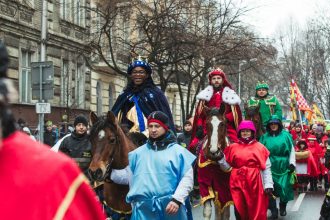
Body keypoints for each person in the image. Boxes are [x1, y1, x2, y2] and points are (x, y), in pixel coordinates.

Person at [0, 41, 105, 219]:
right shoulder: (64, 146)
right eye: (78, 125)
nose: (80, 128)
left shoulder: (57, 179)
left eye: (83, 125)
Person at [110, 111, 196, 220]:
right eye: (150, 126)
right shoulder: (137, 154)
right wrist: (110, 172)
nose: (153, 130)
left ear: (165, 127)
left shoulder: (179, 152)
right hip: (143, 211)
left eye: (157, 126)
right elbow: (129, 178)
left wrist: (177, 200)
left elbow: (187, 179)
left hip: (171, 208)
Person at [217, 120, 273, 220]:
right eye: (243, 131)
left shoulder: (260, 148)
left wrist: (268, 184)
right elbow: (226, 167)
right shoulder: (232, 147)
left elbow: (266, 168)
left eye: (247, 131)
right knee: (239, 209)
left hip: (255, 183)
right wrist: (221, 158)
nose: (245, 133)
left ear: (252, 132)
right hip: (237, 183)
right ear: (239, 132)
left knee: (255, 209)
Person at [111, 58, 175, 135]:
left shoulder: (156, 93)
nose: (137, 75)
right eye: (134, 72)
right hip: (128, 135)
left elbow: (164, 116)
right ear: (131, 75)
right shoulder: (125, 94)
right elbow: (115, 113)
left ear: (147, 75)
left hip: (152, 135)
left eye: (141, 72)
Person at [189, 68, 242, 152]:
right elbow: (200, 114)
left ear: (222, 79)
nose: (216, 80)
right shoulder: (205, 95)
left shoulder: (230, 94)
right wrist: (199, 126)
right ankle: (195, 164)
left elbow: (235, 113)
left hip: (225, 126)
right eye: (214, 78)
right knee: (192, 146)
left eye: (218, 78)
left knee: (237, 145)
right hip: (208, 126)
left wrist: (225, 118)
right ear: (211, 80)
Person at [259, 115, 295, 219]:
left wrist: (292, 163)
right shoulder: (264, 137)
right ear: (269, 125)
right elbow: (260, 151)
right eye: (271, 124)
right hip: (269, 165)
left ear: (278, 125)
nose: (273, 126)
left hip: (284, 165)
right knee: (270, 189)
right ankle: (273, 209)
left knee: (284, 188)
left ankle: (283, 206)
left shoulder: (286, 135)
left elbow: (292, 150)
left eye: (275, 124)